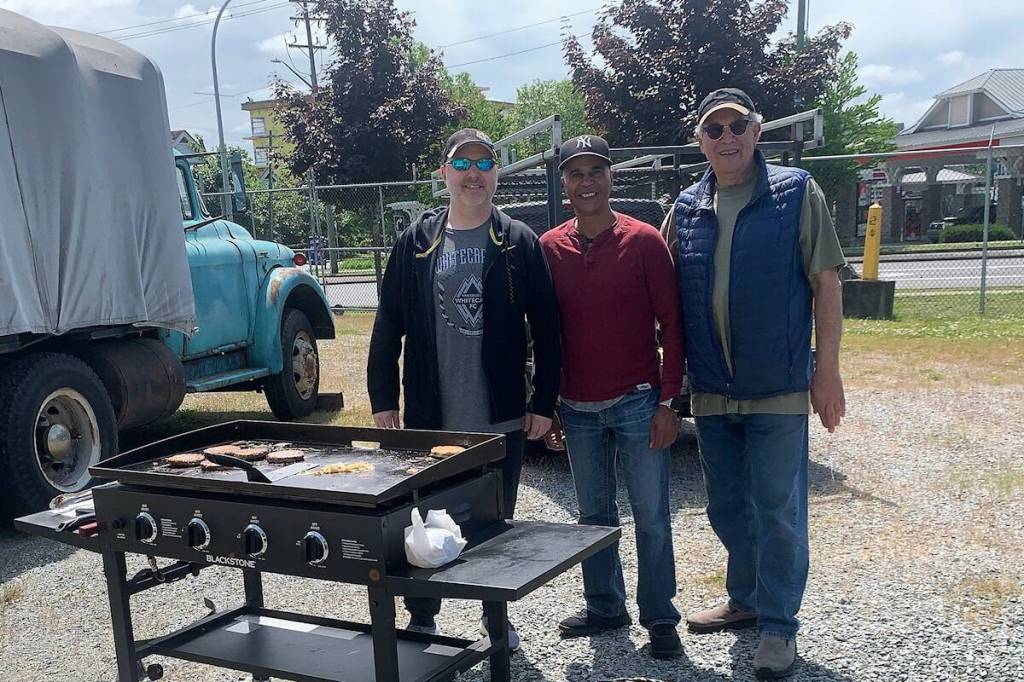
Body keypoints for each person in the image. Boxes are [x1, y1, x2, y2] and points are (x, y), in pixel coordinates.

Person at [669, 88, 846, 679]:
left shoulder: (796, 193)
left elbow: (827, 284)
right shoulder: (686, 207)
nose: (726, 136)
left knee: (776, 508)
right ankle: (744, 598)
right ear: (700, 141)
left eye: (737, 124)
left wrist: (827, 373)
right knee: (725, 507)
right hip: (713, 392)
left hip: (779, 388)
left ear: (757, 129)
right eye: (713, 127)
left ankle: (778, 627)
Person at [366, 128, 561, 650]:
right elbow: (388, 323)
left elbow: (547, 327)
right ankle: (423, 614)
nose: (473, 172)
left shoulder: (518, 240)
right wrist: (383, 398)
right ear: (444, 174)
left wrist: (543, 402)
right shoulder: (418, 242)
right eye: (462, 163)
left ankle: (496, 620)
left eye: (485, 162)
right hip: (433, 415)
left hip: (498, 415)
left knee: (495, 523)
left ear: (496, 173)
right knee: (421, 517)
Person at [539, 134, 685, 660]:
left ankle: (660, 616)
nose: (586, 182)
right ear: (565, 184)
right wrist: (549, 403)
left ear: (610, 176)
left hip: (638, 401)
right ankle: (605, 606)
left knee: (651, 515)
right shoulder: (549, 248)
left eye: (595, 171)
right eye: (576, 174)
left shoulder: (645, 241)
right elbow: (546, 334)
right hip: (576, 407)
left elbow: (673, 324)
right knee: (593, 516)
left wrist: (670, 401)